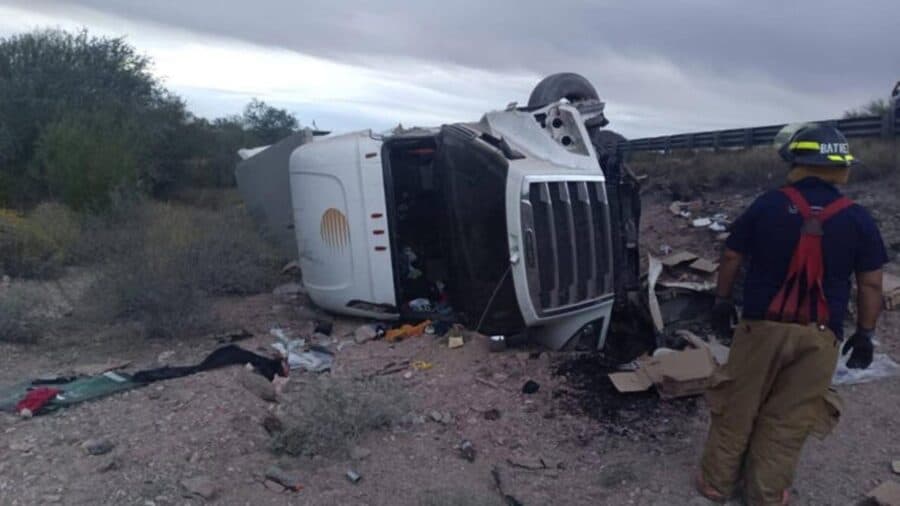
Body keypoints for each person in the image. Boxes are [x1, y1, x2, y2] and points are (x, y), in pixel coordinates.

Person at [695, 125, 888, 505]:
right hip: (819, 336)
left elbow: (732, 256)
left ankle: (717, 483)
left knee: (738, 403)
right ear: (840, 167)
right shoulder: (858, 218)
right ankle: (765, 493)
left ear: (797, 162)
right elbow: (870, 285)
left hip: (760, 329)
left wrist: (721, 301)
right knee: (790, 417)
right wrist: (865, 333)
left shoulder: (767, 204)